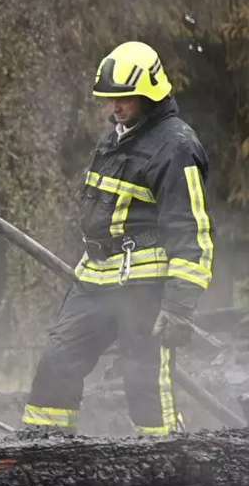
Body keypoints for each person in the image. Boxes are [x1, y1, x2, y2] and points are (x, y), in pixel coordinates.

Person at [22, 41, 214, 435]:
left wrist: (179, 307)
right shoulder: (116, 137)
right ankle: (44, 453)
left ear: (150, 93)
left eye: (126, 98)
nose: (117, 107)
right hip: (94, 279)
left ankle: (165, 471)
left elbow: (191, 231)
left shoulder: (175, 147)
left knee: (144, 382)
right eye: (112, 99)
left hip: (144, 285)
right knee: (57, 362)